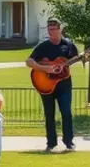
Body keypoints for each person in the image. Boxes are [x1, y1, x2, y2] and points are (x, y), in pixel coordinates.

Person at [26, 18, 77, 153]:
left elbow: (75, 58)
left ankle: (69, 142)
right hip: (46, 86)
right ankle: (51, 143)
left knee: (66, 112)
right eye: (49, 29)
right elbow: (29, 61)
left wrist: (86, 56)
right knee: (49, 114)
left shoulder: (69, 45)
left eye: (54, 29)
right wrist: (45, 69)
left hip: (64, 84)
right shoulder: (43, 46)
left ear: (60, 29)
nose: (51, 32)